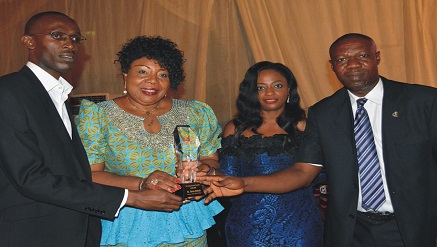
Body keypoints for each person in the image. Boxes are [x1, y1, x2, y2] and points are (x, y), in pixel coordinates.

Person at [200, 33, 437, 247]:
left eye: (362, 55)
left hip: (410, 227)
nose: (353, 64)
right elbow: (303, 172)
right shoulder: (323, 113)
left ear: (377, 57)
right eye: (342, 59)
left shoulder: (424, 101)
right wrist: (244, 184)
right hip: (351, 230)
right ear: (332, 66)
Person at [0, 11, 182, 247]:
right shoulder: (9, 92)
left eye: (76, 39)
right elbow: (30, 178)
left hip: (74, 228)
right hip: (33, 232)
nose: (70, 45)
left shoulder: (60, 94)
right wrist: (131, 197)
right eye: (58, 36)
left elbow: (71, 169)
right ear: (29, 41)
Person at [75, 35, 223, 247]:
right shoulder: (98, 116)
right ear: (125, 74)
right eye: (142, 71)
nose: (152, 81)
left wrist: (205, 168)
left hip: (185, 222)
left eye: (162, 74)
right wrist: (141, 183)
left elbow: (212, 159)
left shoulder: (196, 113)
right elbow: (90, 176)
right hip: (127, 225)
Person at [201, 61, 323, 246]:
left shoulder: (305, 127)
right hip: (248, 225)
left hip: (297, 225)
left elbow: (307, 175)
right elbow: (228, 177)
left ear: (289, 89)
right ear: (251, 92)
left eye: (278, 85)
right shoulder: (235, 128)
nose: (270, 93)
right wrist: (207, 172)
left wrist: (242, 183)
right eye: (260, 87)